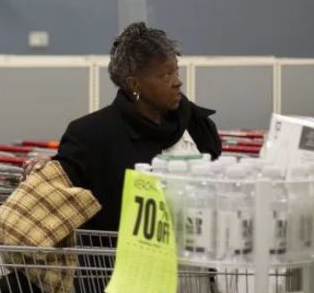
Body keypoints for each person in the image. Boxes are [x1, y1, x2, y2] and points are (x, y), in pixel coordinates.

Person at [24, 22, 222, 232]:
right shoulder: (90, 136)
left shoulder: (198, 125)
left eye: (176, 72)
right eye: (165, 75)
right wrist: (49, 168)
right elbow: (63, 191)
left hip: (192, 258)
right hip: (116, 261)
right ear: (134, 85)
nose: (177, 82)